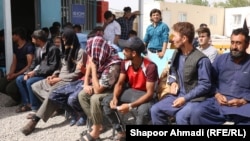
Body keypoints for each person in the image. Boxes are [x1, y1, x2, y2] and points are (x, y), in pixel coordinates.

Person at [20, 27, 86, 135]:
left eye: (65, 40)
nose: (63, 43)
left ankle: (35, 120)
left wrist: (59, 78)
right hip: (59, 78)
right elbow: (60, 67)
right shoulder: (64, 51)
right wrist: (54, 75)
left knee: (52, 92)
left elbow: (77, 74)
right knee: (35, 86)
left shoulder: (80, 52)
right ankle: (57, 104)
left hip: (69, 81)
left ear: (71, 39)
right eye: (63, 40)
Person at [150, 22, 213, 125]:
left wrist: (185, 98)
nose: (172, 39)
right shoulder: (177, 53)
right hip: (178, 95)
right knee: (155, 110)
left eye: (174, 36)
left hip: (195, 99)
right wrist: (172, 81)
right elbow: (173, 70)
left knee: (181, 117)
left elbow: (205, 85)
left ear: (184, 39)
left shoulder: (202, 60)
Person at [102, 36, 158, 140]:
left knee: (142, 112)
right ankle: (121, 131)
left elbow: (150, 94)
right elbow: (119, 83)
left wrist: (130, 106)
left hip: (146, 96)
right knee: (106, 102)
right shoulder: (125, 63)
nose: (123, 52)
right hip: (132, 92)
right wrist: (114, 97)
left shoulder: (150, 67)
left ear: (134, 53)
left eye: (126, 50)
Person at [190, 28, 250, 125]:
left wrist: (244, 100)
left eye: (238, 43)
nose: (234, 46)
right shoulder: (220, 59)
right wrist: (217, 94)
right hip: (219, 103)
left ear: (247, 44)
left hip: (243, 106)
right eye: (232, 42)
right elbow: (210, 81)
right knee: (197, 113)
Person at [77, 26, 121, 141]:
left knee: (95, 98)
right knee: (82, 95)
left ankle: (95, 131)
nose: (92, 56)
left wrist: (94, 68)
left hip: (113, 89)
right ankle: (99, 124)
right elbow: (88, 67)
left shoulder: (113, 64)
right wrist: (86, 84)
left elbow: (98, 90)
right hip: (101, 84)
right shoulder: (97, 54)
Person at [15, 29, 61, 113]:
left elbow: (52, 67)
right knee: (19, 79)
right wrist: (27, 72)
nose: (32, 41)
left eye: (33, 39)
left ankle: (35, 107)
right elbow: (33, 63)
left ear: (38, 40)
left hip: (47, 74)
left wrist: (35, 73)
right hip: (37, 72)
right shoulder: (38, 49)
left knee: (30, 82)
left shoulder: (53, 49)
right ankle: (27, 103)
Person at [0, 27, 34, 107]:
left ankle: (19, 99)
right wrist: (11, 73)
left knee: (10, 88)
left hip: (24, 73)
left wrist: (15, 75)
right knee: (1, 84)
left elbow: (29, 65)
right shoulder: (16, 47)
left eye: (13, 35)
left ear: (18, 36)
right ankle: (16, 97)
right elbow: (14, 62)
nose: (12, 37)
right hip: (16, 72)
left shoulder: (28, 47)